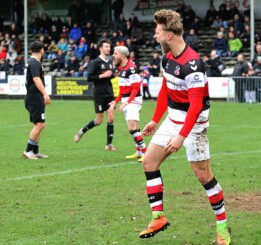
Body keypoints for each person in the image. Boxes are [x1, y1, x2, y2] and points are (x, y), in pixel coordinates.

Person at [138, 9, 231, 245]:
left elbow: (197, 105)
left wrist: (181, 136)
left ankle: (222, 228)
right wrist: (155, 119)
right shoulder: (166, 57)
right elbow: (166, 89)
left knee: (203, 176)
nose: (155, 35)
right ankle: (158, 217)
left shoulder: (193, 65)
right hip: (173, 119)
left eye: (158, 31)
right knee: (149, 163)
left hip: (194, 125)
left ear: (169, 35)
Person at [74, 39, 117, 151]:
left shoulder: (111, 62)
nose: (109, 48)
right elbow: (89, 78)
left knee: (111, 118)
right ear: (101, 49)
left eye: (109, 46)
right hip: (99, 94)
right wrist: (103, 76)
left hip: (109, 93)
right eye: (106, 46)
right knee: (98, 121)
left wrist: (112, 75)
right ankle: (82, 131)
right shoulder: (95, 62)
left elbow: (110, 75)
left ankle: (109, 144)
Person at [110, 46, 146, 162]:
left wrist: (127, 102)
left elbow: (136, 88)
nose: (113, 55)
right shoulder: (120, 68)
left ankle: (145, 153)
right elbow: (122, 90)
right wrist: (115, 101)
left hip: (134, 100)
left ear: (123, 55)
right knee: (134, 128)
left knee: (132, 128)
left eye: (115, 53)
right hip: (127, 100)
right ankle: (139, 152)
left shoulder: (132, 68)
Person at [23, 41, 50, 159]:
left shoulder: (31, 62)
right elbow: (36, 79)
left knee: (38, 124)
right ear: (42, 50)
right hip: (35, 98)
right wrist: (45, 94)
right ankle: (28, 151)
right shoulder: (34, 63)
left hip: (32, 97)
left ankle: (35, 151)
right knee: (40, 124)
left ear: (30, 50)